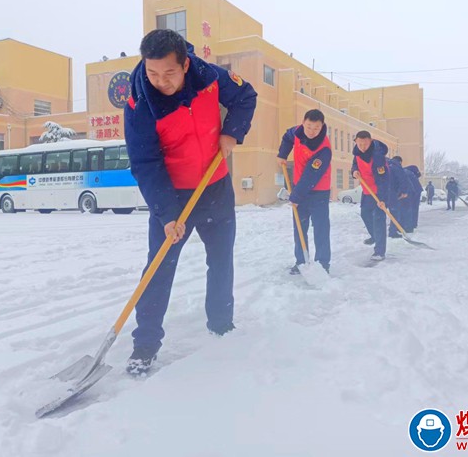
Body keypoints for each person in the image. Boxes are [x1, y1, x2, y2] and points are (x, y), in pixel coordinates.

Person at [124, 29, 257, 374]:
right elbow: (145, 164)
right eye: (152, 73)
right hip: (173, 197)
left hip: (215, 187)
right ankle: (145, 344)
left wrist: (232, 132)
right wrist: (167, 214)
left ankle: (221, 324)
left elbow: (245, 96)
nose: (160, 82)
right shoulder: (140, 103)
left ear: (185, 63)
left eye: (169, 73)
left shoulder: (208, 76)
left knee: (221, 261)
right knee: (158, 270)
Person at [277, 109, 332, 274]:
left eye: (316, 128)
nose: (312, 131)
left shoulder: (324, 149)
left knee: (320, 228)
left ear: (322, 127)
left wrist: (296, 196)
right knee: (299, 227)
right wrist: (282, 154)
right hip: (299, 187)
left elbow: (311, 175)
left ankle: (322, 264)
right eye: (309, 126)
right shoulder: (297, 132)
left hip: (319, 192)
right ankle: (301, 262)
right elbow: (287, 136)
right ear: (303, 123)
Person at [351, 131, 390, 262]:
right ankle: (375, 236)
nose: (362, 147)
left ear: (371, 141)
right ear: (356, 141)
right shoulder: (356, 152)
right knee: (365, 214)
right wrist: (354, 171)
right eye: (360, 143)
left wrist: (383, 199)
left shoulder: (377, 155)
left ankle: (380, 251)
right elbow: (355, 165)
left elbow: (384, 179)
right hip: (367, 191)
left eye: (365, 144)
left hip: (379, 191)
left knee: (378, 219)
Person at [387, 156, 413, 238]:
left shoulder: (385, 164)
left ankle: (377, 233)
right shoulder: (397, 167)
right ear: (400, 162)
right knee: (394, 212)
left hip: (381, 192)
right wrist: (404, 192)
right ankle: (392, 231)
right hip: (392, 192)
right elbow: (403, 179)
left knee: (379, 213)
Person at [404, 165, 424, 231]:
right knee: (414, 208)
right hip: (416, 189)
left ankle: (409, 226)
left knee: (410, 208)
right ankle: (413, 224)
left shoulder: (403, 171)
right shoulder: (410, 169)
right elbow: (418, 175)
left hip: (413, 190)